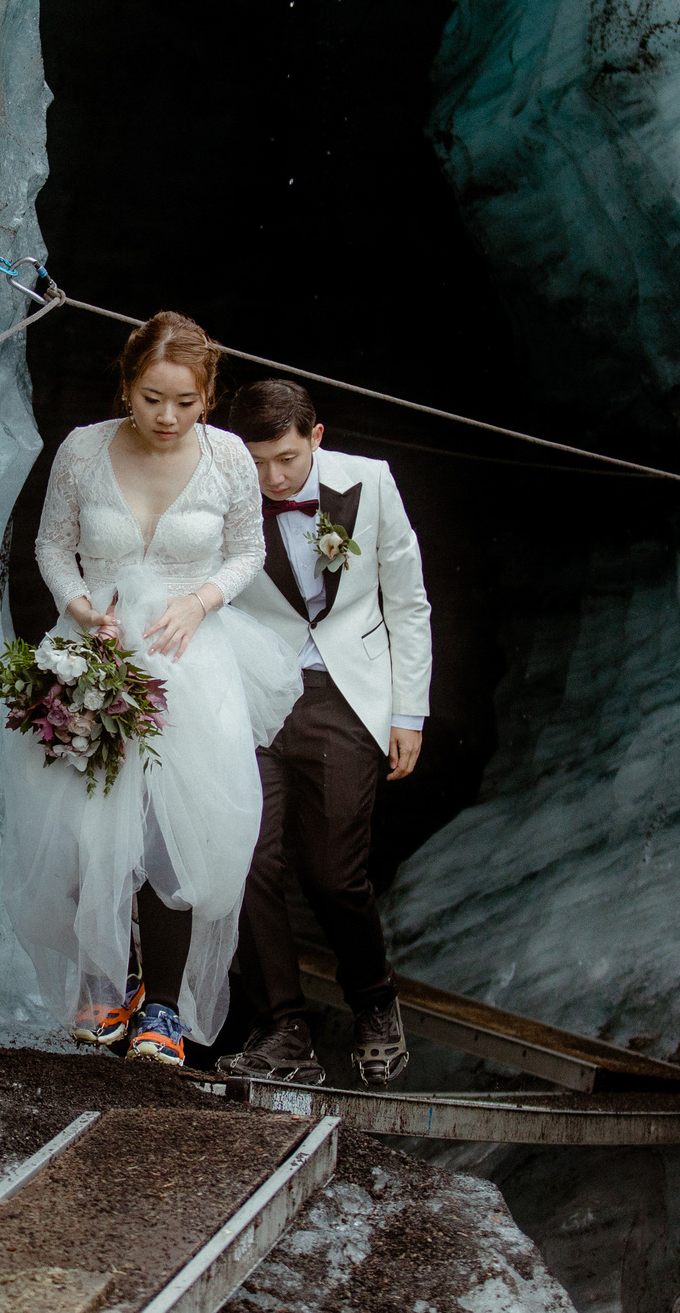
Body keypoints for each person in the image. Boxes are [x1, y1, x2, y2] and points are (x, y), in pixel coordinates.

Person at [4, 313, 303, 1065]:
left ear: (208, 395)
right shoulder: (83, 448)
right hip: (96, 655)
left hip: (189, 663)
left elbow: (246, 551)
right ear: (127, 387)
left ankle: (162, 1006)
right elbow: (51, 544)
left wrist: (200, 601)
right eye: (151, 399)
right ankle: (102, 988)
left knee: (172, 836)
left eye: (185, 402)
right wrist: (79, 606)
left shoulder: (228, 457)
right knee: (86, 832)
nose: (168, 416)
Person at [216, 379, 432, 1088]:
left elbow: (407, 599)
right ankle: (283, 1028)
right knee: (246, 858)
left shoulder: (372, 482)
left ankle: (374, 998)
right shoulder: (220, 489)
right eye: (257, 462)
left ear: (315, 437)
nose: (273, 479)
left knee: (333, 874)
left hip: (346, 692)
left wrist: (409, 712)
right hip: (252, 689)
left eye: (286, 458)